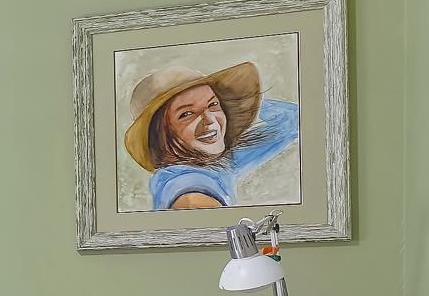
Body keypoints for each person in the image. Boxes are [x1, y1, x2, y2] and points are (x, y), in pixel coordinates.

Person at [122, 60, 300, 211]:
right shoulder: (190, 190)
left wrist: (238, 102)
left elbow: (293, 120)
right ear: (160, 135)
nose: (210, 121)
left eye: (213, 104)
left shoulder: (215, 161)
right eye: (186, 114)